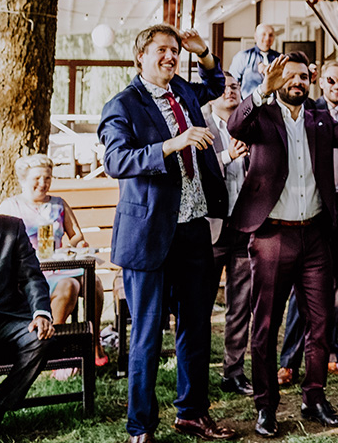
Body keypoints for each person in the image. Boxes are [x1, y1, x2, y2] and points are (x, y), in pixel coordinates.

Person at [98, 24, 235, 443]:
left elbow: (216, 82)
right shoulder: (122, 104)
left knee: (195, 326)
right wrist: (172, 145)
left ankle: (192, 414)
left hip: (193, 228)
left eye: (174, 51)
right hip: (149, 235)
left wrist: (204, 51)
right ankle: (141, 426)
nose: (170, 57)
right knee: (146, 334)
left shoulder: (184, 92)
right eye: (162, 50)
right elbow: (117, 159)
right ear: (140, 55)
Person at [227, 53, 338, 437]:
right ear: (277, 80)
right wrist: (262, 92)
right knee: (266, 324)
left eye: (303, 76)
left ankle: (314, 396)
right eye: (290, 76)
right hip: (272, 235)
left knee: (322, 323)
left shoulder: (320, 120)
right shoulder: (262, 117)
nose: (297, 81)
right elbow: (235, 124)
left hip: (315, 236)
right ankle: (266, 406)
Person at [278, 59, 338, 385]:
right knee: (301, 286)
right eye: (331, 80)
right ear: (321, 82)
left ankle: (331, 354)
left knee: (337, 284)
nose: (336, 86)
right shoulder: (309, 111)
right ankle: (289, 360)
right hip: (313, 205)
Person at [0, 154, 108, 367]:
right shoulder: (11, 207)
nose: (43, 183)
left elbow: (76, 236)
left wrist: (77, 245)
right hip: (29, 274)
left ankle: (94, 342)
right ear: (23, 180)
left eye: (47, 178)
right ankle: (54, 348)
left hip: (59, 266)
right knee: (69, 286)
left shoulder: (58, 204)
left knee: (94, 283)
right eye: (37, 178)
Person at [202, 73, 253, 396]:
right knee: (200, 305)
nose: (230, 91)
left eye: (235, 86)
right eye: (223, 86)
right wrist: (227, 157)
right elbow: (197, 171)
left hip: (245, 226)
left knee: (242, 303)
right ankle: (195, 372)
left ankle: (233, 371)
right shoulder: (201, 127)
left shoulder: (251, 127)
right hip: (210, 229)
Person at [0, 214, 54, 438]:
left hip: (7, 318)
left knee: (40, 338)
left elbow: (32, 277)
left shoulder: (12, 228)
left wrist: (41, 314)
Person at [228, 24, 279, 95]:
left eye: (271, 35)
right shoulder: (243, 56)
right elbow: (231, 82)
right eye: (263, 34)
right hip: (249, 103)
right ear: (256, 37)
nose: (267, 38)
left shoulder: (279, 58)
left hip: (273, 104)